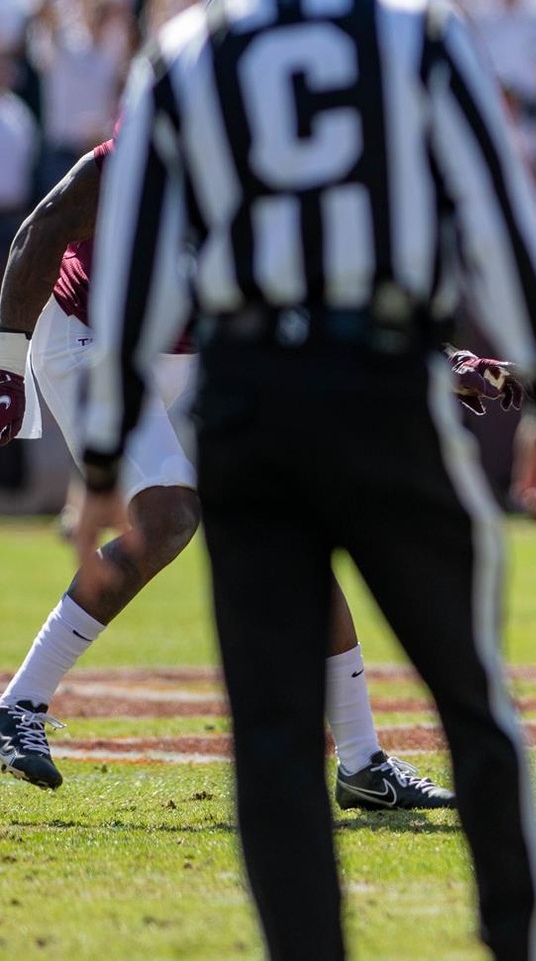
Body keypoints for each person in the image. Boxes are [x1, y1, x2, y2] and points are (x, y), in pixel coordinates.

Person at [71, 0, 536, 961]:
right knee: (470, 703)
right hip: (383, 383)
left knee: (271, 732)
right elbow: (501, 222)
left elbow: (137, 268)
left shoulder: (182, 55)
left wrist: (101, 461)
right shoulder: (415, 28)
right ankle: (519, 944)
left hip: (248, 396)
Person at [0, 144, 452, 809]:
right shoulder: (159, 144)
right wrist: (6, 363)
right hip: (92, 336)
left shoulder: (302, 177)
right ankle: (19, 705)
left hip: (199, 355)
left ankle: (362, 763)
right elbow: (44, 226)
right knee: (168, 518)